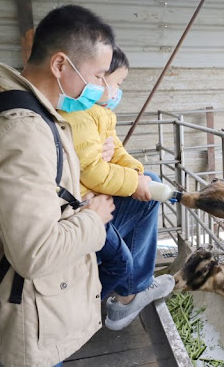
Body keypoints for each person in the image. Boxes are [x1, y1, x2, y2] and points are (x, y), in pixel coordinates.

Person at [0, 5, 117, 366]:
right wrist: (94, 217)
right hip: (33, 317)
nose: (103, 88)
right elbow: (36, 253)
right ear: (60, 65)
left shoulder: (14, 105)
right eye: (98, 75)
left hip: (37, 308)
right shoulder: (23, 131)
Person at [59, 46, 174, 331]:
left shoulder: (100, 114)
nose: (116, 90)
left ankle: (130, 291)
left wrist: (138, 176)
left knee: (149, 181)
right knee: (145, 200)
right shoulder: (80, 114)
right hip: (82, 212)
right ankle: (129, 294)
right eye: (112, 81)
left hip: (92, 201)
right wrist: (135, 183)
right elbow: (94, 171)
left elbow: (118, 152)